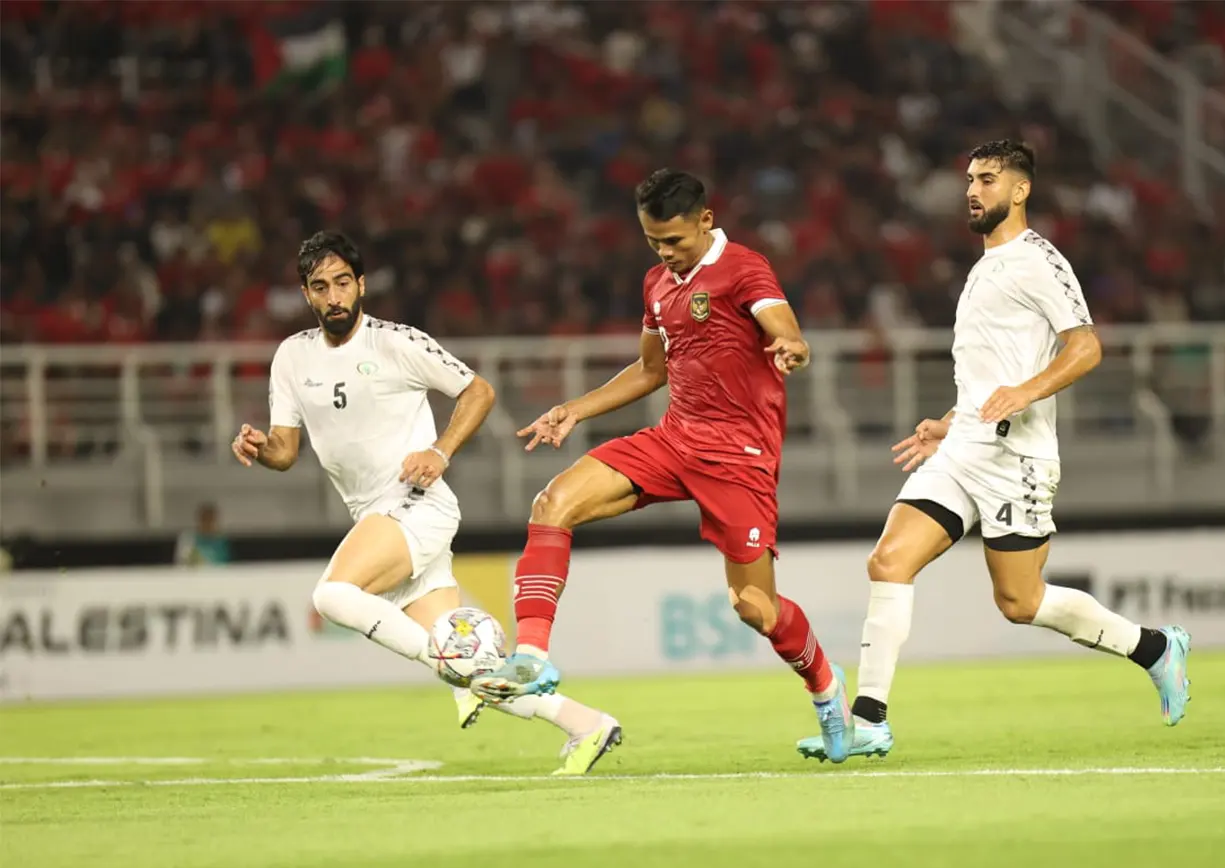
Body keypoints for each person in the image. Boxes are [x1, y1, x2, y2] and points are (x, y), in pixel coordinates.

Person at [797, 141, 1192, 762]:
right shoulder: (984, 267)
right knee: (889, 561)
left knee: (1020, 602)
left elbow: (1086, 347)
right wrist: (949, 422)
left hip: (1018, 459)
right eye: (970, 181)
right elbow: (992, 375)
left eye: (987, 179)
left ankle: (1155, 648)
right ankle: (869, 721)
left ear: (1020, 189)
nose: (973, 191)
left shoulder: (1039, 260)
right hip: (964, 449)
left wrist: (1026, 392)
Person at [469, 170, 856, 762]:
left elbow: (786, 329)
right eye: (653, 242)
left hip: (739, 456)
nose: (665, 253)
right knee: (552, 503)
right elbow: (651, 370)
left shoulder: (744, 268)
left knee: (754, 608)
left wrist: (792, 348)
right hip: (674, 439)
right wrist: (575, 408)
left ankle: (827, 691)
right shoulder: (657, 283)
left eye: (674, 240)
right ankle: (531, 658)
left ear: (706, 220)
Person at [230, 231, 622, 776]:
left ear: (361, 284)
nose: (334, 296)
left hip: (416, 502)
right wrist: (260, 447)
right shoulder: (292, 356)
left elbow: (479, 391)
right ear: (306, 294)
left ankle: (448, 664)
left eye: (342, 283)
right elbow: (285, 451)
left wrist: (440, 451)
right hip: (376, 516)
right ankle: (586, 724)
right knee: (475, 672)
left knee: (333, 596)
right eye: (320, 287)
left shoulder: (397, 342)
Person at [175, 502, 231, 567]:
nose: (208, 523)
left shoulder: (221, 541)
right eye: (205, 519)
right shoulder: (188, 539)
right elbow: (182, 562)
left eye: (211, 520)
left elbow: (226, 564)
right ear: (200, 520)